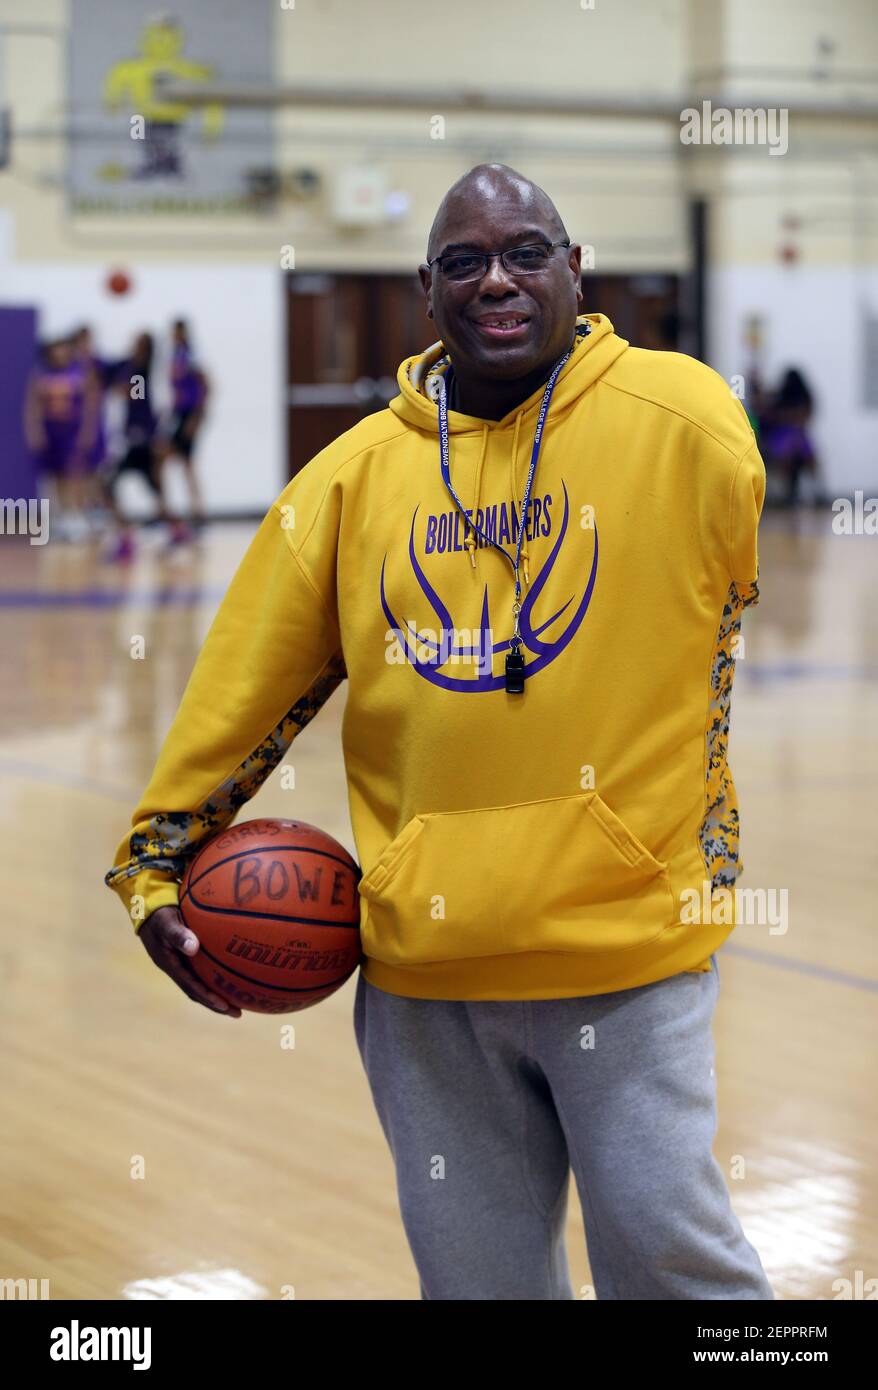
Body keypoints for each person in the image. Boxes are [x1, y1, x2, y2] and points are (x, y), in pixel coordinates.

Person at [105, 164, 774, 1301]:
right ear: (426, 290)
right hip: (426, 973)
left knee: (676, 1269)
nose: (496, 279)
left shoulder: (685, 419)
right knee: (477, 1286)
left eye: (525, 251)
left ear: (575, 269)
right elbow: (248, 683)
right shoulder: (351, 479)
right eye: (463, 261)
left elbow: (717, 627)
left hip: (627, 955)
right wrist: (156, 859)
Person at [99, 332, 171, 562]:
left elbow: (133, 394)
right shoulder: (131, 367)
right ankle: (173, 531)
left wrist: (120, 388)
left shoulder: (142, 374)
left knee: (110, 484)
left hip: (141, 441)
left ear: (146, 349)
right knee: (152, 489)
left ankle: (128, 538)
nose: (132, 346)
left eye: (138, 343)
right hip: (135, 440)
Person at [23, 337, 99, 542]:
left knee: (73, 474)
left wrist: (87, 432)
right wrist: (34, 430)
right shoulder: (42, 374)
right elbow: (34, 406)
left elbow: (89, 407)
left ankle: (76, 517)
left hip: (71, 430)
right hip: (51, 430)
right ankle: (61, 518)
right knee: (54, 476)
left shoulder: (79, 374)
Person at [155, 318, 209, 539]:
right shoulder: (175, 355)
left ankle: (195, 513)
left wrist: (196, 419)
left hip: (188, 416)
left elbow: (206, 385)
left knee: (183, 464)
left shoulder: (191, 355)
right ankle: (176, 512)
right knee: (171, 462)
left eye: (177, 332)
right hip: (178, 415)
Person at [759, 367, 820, 506]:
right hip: (784, 438)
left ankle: (811, 491)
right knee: (792, 452)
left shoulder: (801, 399)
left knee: (801, 451)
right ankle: (793, 493)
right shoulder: (781, 397)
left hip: (795, 439)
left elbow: (803, 417)